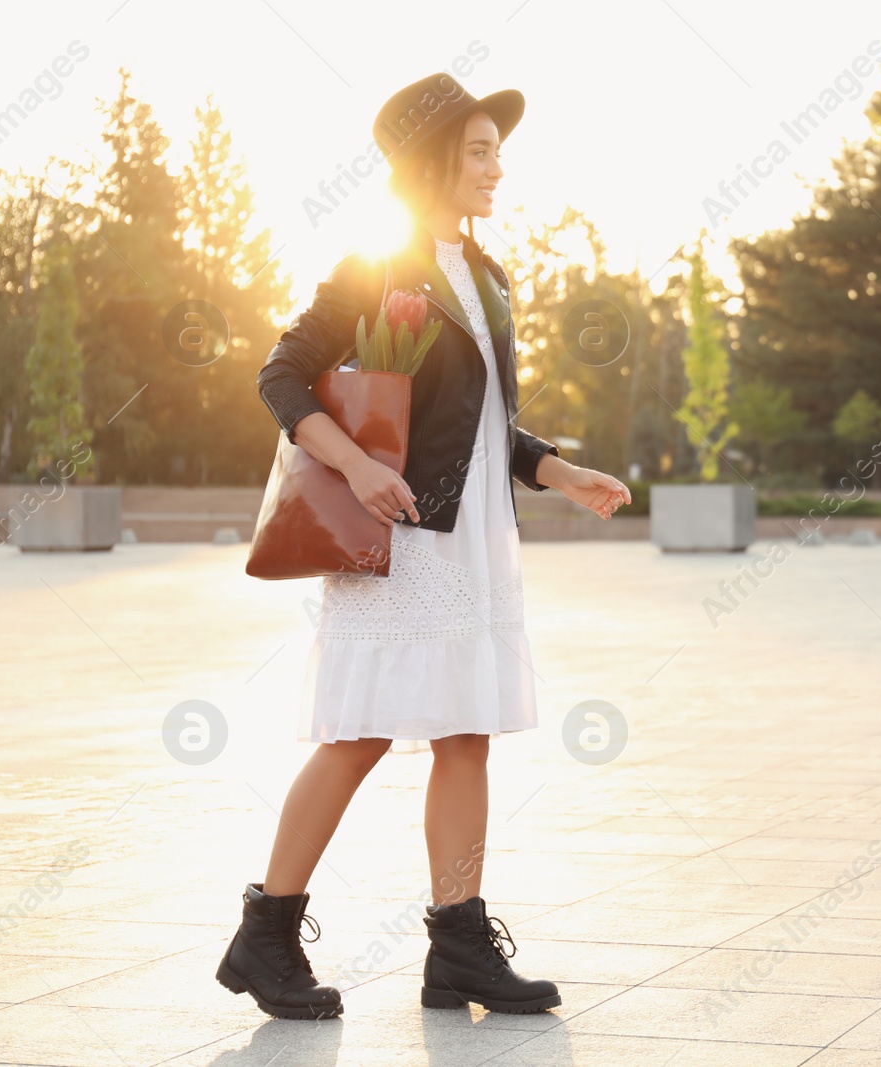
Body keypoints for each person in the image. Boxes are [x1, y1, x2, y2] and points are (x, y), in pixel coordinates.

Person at [215, 73, 630, 1020]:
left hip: (470, 535)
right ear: (433, 162)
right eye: (478, 150)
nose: (495, 166)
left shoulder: (487, 277)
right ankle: (266, 932)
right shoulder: (380, 265)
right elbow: (281, 377)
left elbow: (485, 426)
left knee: (466, 731)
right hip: (399, 536)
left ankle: (459, 945)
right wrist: (358, 468)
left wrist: (564, 473)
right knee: (358, 735)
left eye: (496, 149)